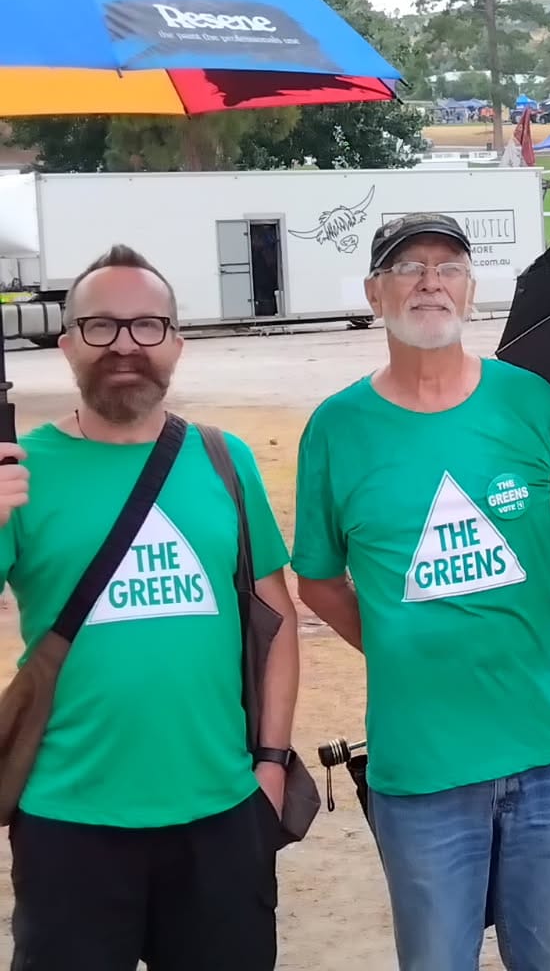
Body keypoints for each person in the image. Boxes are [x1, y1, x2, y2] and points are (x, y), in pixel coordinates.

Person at [293, 213, 550, 971]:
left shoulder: (530, 404)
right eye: (409, 267)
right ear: (374, 291)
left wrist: (507, 616)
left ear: (470, 289)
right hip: (422, 772)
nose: (431, 281)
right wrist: (397, 640)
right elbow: (319, 580)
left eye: (449, 266)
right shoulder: (337, 429)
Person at [0, 245, 298, 969]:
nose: (125, 344)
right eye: (100, 327)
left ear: (176, 342)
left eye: (146, 326)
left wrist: (271, 766)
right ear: (65, 341)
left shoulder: (225, 460)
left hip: (222, 815)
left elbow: (279, 619)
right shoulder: (20, 471)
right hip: (67, 821)